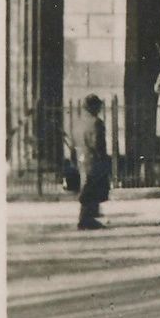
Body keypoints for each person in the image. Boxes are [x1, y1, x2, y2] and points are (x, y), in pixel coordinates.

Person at [72, 94, 112, 230]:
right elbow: (98, 144)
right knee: (92, 189)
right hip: (94, 160)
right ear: (93, 107)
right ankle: (86, 219)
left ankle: (89, 217)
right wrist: (104, 159)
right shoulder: (96, 122)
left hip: (82, 159)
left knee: (87, 187)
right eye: (98, 106)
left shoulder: (78, 122)